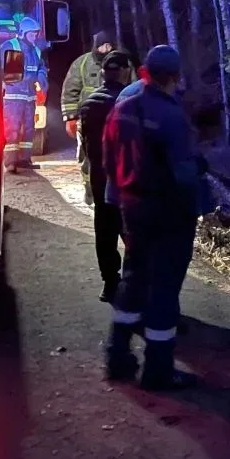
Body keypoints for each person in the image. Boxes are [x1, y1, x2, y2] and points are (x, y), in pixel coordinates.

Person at [102, 44, 209, 389]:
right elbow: (184, 176)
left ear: (145, 71)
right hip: (168, 214)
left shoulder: (122, 107)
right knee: (164, 287)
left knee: (132, 278)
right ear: (175, 76)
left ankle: (117, 356)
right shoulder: (172, 115)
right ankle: (158, 370)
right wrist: (200, 194)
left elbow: (108, 160)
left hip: (132, 209)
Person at [77, 50, 132, 303]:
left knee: (104, 229)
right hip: (126, 177)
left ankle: (110, 283)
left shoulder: (89, 104)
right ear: (124, 72)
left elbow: (86, 146)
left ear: (103, 73)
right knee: (131, 229)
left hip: (100, 175)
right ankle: (136, 283)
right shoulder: (129, 102)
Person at [61, 30, 132, 206]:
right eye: (102, 46)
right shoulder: (82, 64)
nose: (105, 49)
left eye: (108, 46)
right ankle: (90, 189)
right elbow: (70, 91)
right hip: (88, 120)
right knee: (87, 157)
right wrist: (70, 118)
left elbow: (134, 90)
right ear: (95, 46)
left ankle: (114, 195)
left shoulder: (123, 63)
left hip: (116, 120)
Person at [0, 16, 47, 171]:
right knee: (12, 130)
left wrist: (41, 76)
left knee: (28, 129)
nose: (34, 36)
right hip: (13, 97)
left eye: (36, 34)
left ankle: (24, 160)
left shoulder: (36, 50)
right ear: (23, 33)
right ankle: (10, 162)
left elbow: (41, 67)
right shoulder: (11, 46)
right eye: (32, 34)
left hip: (29, 97)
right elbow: (1, 68)